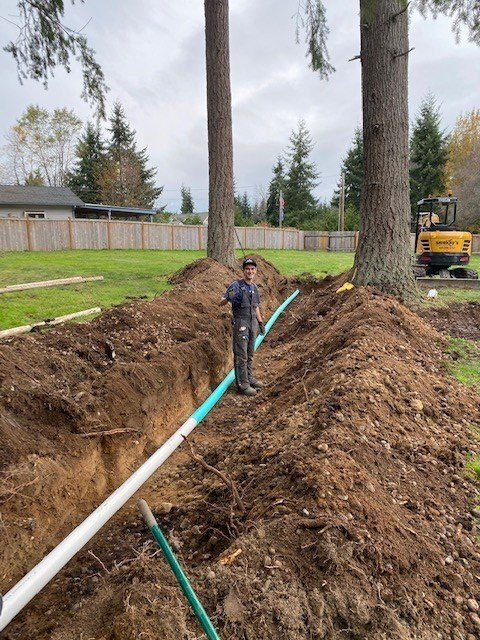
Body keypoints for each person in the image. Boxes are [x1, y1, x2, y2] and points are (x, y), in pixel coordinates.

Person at [220, 257, 265, 396]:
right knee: (241, 355)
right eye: (247, 269)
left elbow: (256, 306)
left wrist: (260, 322)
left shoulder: (254, 287)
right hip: (241, 323)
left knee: (250, 353)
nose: (250, 271)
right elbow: (221, 302)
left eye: (252, 269)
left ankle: (249, 378)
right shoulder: (236, 285)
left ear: (255, 271)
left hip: (252, 323)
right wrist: (229, 297)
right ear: (243, 271)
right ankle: (243, 385)